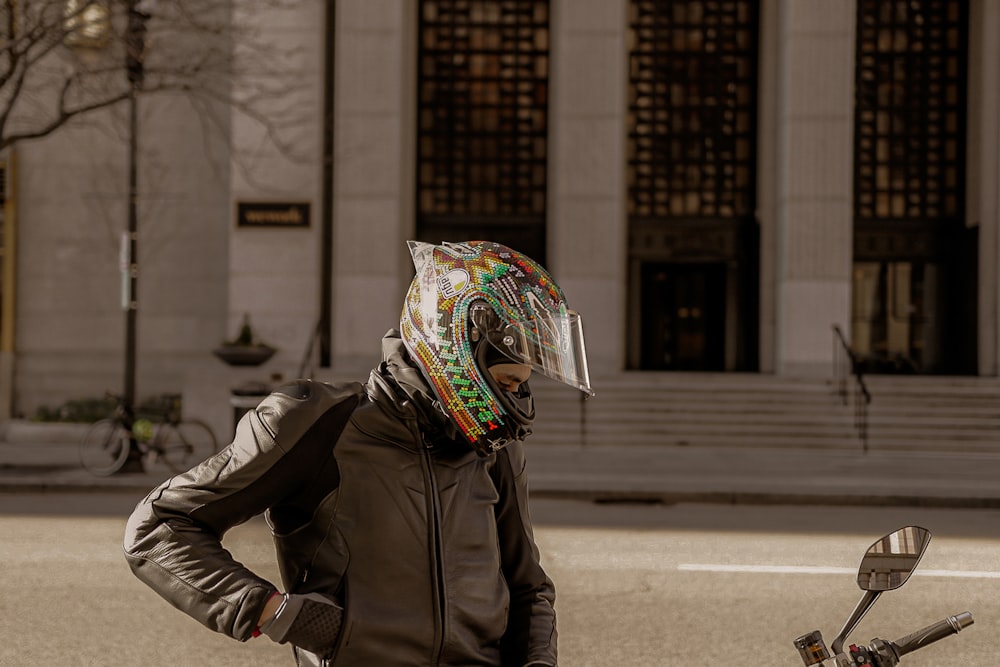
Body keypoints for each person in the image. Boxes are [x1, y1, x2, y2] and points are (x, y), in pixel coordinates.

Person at [123, 239, 594, 666]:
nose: (518, 399)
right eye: (509, 381)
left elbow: (528, 587)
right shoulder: (316, 422)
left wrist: (537, 662)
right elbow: (159, 527)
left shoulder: (491, 446)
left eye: (523, 384)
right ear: (453, 347)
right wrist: (273, 612)